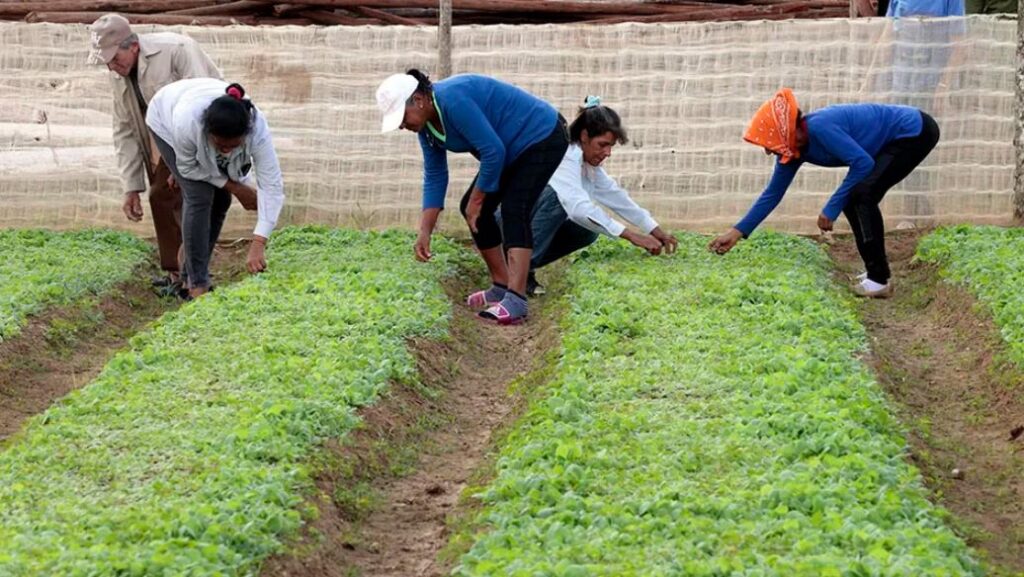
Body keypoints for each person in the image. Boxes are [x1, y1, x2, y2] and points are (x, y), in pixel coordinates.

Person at [376, 70, 569, 325]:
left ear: (419, 100)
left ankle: (516, 300)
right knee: (471, 208)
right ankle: (501, 285)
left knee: (513, 207)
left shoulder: (452, 101)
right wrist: (425, 232)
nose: (402, 126)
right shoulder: (427, 129)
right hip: (509, 148)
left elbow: (493, 151)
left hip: (541, 135)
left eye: (401, 117)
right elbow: (435, 175)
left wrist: (478, 201)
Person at [708, 88, 940, 298]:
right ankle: (875, 274)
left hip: (913, 132)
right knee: (855, 198)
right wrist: (736, 233)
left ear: (787, 132)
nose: (769, 152)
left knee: (863, 195)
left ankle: (879, 280)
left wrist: (830, 209)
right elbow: (772, 194)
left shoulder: (821, 127)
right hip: (892, 139)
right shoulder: (790, 152)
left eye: (770, 143)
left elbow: (862, 163)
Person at [88, 13, 221, 295]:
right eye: (107, 61)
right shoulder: (119, 75)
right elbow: (124, 128)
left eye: (115, 58)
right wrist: (131, 186)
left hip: (198, 134)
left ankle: (194, 276)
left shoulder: (176, 51)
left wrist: (183, 160)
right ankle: (177, 274)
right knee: (161, 196)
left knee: (189, 198)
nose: (112, 66)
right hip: (158, 138)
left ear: (133, 45)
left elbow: (201, 106)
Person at [519, 96, 678, 297]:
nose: (608, 153)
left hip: (522, 224)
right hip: (503, 225)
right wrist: (633, 236)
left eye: (610, 146)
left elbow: (617, 198)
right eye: (603, 144)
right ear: (584, 136)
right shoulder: (564, 155)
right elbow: (578, 208)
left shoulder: (587, 165)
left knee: (586, 231)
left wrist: (655, 230)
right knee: (561, 200)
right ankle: (519, 271)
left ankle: (518, 264)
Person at [145, 78, 285, 299]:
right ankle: (197, 284)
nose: (228, 152)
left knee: (221, 200)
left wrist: (258, 243)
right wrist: (237, 188)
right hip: (165, 117)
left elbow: (272, 187)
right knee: (199, 196)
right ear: (207, 133)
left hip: (190, 107)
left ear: (245, 135)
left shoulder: (257, 131)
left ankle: (189, 271)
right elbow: (189, 170)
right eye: (221, 146)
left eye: (234, 146)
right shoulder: (188, 124)